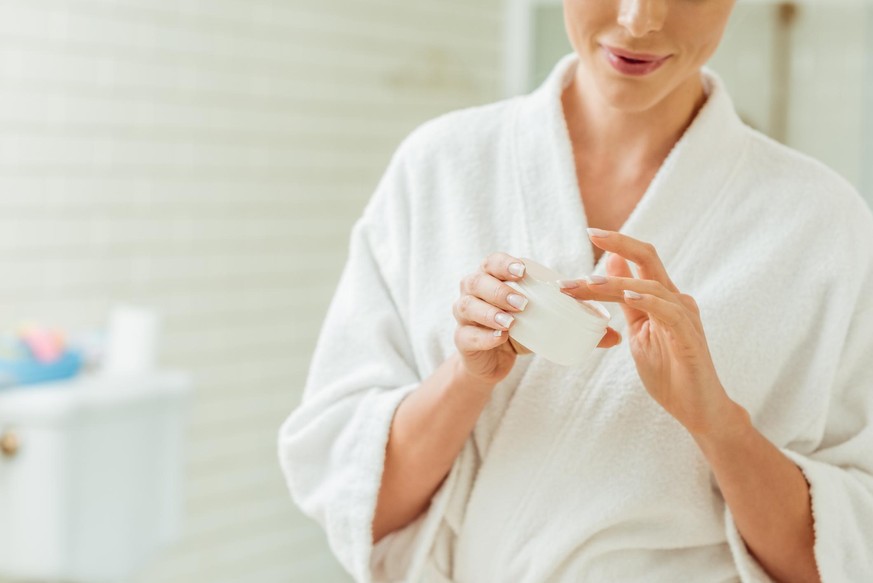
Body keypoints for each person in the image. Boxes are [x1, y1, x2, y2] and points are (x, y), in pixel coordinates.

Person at [278, 1, 873, 581]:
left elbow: (848, 553)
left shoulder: (822, 223)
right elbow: (360, 504)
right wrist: (467, 376)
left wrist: (718, 423)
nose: (640, 19)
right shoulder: (439, 169)